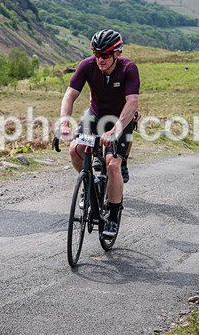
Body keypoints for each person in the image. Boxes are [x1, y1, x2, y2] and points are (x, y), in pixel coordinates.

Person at [58, 29, 140, 238]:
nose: (100, 59)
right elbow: (70, 95)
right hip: (95, 115)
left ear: (117, 53)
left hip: (121, 118)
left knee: (113, 165)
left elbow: (132, 102)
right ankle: (88, 183)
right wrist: (65, 122)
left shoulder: (129, 69)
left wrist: (116, 130)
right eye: (97, 54)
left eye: (105, 55)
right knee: (75, 149)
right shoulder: (87, 65)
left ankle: (112, 216)